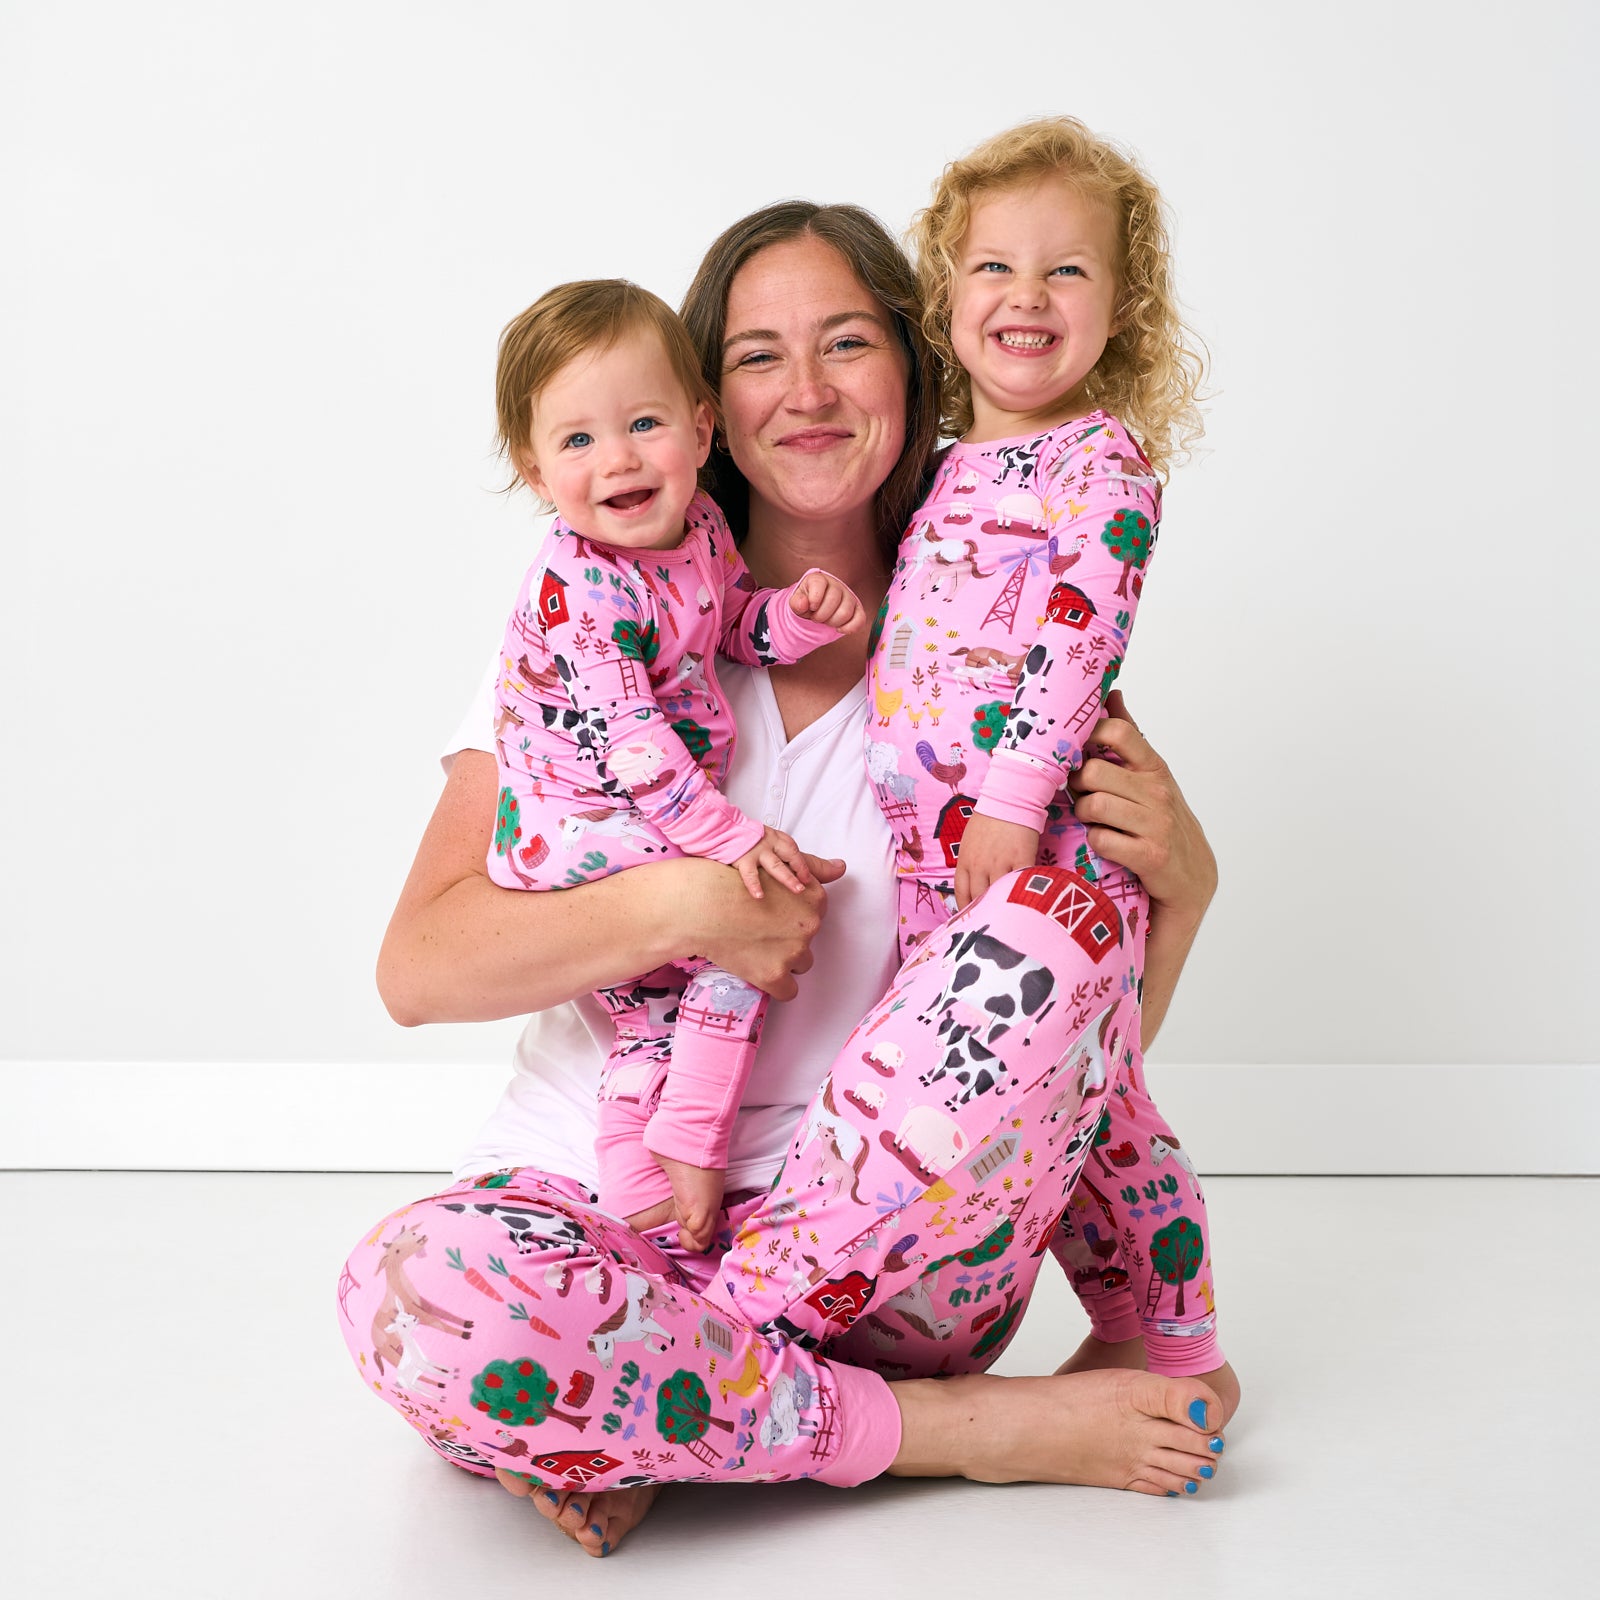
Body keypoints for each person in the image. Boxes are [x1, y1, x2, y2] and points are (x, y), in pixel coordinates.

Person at [345, 194, 1237, 1564]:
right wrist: (691, 905)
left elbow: (1052, 1068)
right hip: (591, 1204)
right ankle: (955, 1433)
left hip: (875, 1248)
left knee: (1053, 932)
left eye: (848, 345)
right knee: (419, 1293)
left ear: (915, 363)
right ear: (704, 404)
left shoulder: (997, 672)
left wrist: (1189, 889)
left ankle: (649, 1410)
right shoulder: (586, 624)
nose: (808, 393)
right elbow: (421, 971)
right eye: (759, 355)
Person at [866, 118, 1226, 1383]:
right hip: (933, 863)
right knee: (1015, 1120)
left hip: (1040, 845)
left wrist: (1013, 804)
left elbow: (1075, 643)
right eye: (991, 267)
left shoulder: (1102, 463)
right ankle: (1023, 1316)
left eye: (1065, 270)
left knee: (1101, 1107)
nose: (1025, 295)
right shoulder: (949, 471)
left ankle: (1175, 1342)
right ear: (945, 293)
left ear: (1121, 305)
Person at [484, 278, 864, 1251]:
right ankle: (693, 1137)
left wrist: (790, 618)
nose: (616, 458)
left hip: (638, 811)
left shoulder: (698, 533)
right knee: (732, 927)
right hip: (577, 820)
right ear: (534, 470)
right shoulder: (582, 586)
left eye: (642, 423)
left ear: (700, 430)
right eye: (576, 441)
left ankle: (636, 1165)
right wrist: (731, 840)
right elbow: (635, 745)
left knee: (654, 1004)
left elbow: (727, 623)